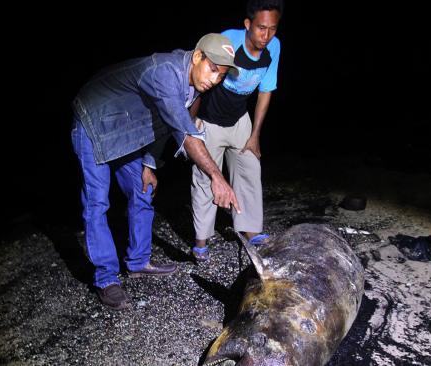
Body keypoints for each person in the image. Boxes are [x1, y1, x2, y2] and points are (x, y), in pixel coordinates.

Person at [71, 33, 241, 310]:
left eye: (221, 76)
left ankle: (138, 261)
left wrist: (149, 164)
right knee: (97, 203)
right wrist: (217, 177)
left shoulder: (193, 84)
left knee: (143, 188)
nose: (214, 80)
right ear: (198, 56)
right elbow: (184, 132)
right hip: (94, 123)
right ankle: (106, 279)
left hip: (126, 130)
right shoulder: (165, 73)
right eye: (213, 69)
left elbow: (163, 123)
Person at [189, 0, 283, 262]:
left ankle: (251, 231)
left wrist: (255, 135)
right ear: (247, 25)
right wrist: (191, 120)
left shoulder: (273, 47)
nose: (266, 35)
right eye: (261, 28)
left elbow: (266, 90)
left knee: (250, 170)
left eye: (272, 29)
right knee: (206, 180)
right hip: (209, 120)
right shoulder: (229, 40)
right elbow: (197, 76)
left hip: (240, 119)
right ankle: (201, 241)